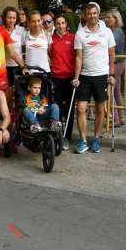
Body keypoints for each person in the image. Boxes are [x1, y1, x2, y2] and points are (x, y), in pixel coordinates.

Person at [72, 3, 116, 154]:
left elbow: (112, 55)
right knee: (81, 109)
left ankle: (96, 138)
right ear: (85, 15)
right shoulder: (80, 34)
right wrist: (76, 77)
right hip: (84, 76)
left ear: (98, 14)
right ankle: (83, 140)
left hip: (101, 75)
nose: (92, 16)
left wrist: (111, 74)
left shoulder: (107, 32)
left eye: (94, 13)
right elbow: (78, 57)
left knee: (99, 109)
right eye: (89, 13)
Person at [49, 15, 75, 151]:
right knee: (57, 109)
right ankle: (57, 134)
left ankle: (67, 137)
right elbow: (49, 55)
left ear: (66, 24)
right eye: (58, 23)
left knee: (69, 110)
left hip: (70, 78)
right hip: (56, 78)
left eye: (63, 23)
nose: (60, 25)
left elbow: (78, 57)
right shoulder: (51, 39)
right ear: (55, 25)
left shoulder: (73, 38)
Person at [104, 9, 126, 128]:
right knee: (117, 91)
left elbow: (110, 49)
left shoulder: (115, 32)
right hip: (119, 63)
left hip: (115, 64)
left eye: (109, 17)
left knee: (110, 92)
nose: (107, 19)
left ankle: (116, 118)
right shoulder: (118, 31)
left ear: (115, 19)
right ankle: (121, 117)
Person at [2, 6, 27, 91]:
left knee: (19, 92)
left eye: (14, 18)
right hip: (5, 67)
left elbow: (26, 47)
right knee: (7, 92)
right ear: (5, 18)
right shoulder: (0, 31)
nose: (11, 20)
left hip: (18, 66)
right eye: (9, 17)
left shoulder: (21, 30)